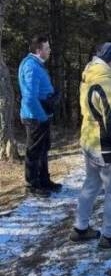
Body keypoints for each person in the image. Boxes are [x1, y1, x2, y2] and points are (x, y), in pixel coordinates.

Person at [72, 42, 111, 249]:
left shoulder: (90, 77)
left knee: (90, 186)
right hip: (109, 148)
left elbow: (95, 108)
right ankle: (109, 236)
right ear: (109, 58)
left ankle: (80, 228)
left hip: (90, 143)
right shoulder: (107, 83)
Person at [18, 36, 60, 196]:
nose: (49, 51)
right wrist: (41, 117)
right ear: (38, 50)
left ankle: (44, 180)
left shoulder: (36, 65)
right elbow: (29, 97)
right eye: (47, 48)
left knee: (43, 149)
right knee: (34, 150)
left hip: (42, 114)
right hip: (35, 116)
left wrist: (52, 95)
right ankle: (32, 184)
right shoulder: (31, 66)